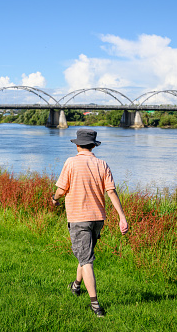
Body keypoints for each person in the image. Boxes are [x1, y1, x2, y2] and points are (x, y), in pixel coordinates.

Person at [52, 128, 128, 317]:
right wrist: (122, 216)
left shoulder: (70, 162)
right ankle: (76, 286)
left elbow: (61, 190)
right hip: (97, 218)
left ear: (77, 145)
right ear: (94, 145)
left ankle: (96, 306)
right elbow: (111, 192)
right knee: (86, 254)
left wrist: (54, 200)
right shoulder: (102, 164)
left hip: (78, 218)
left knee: (86, 259)